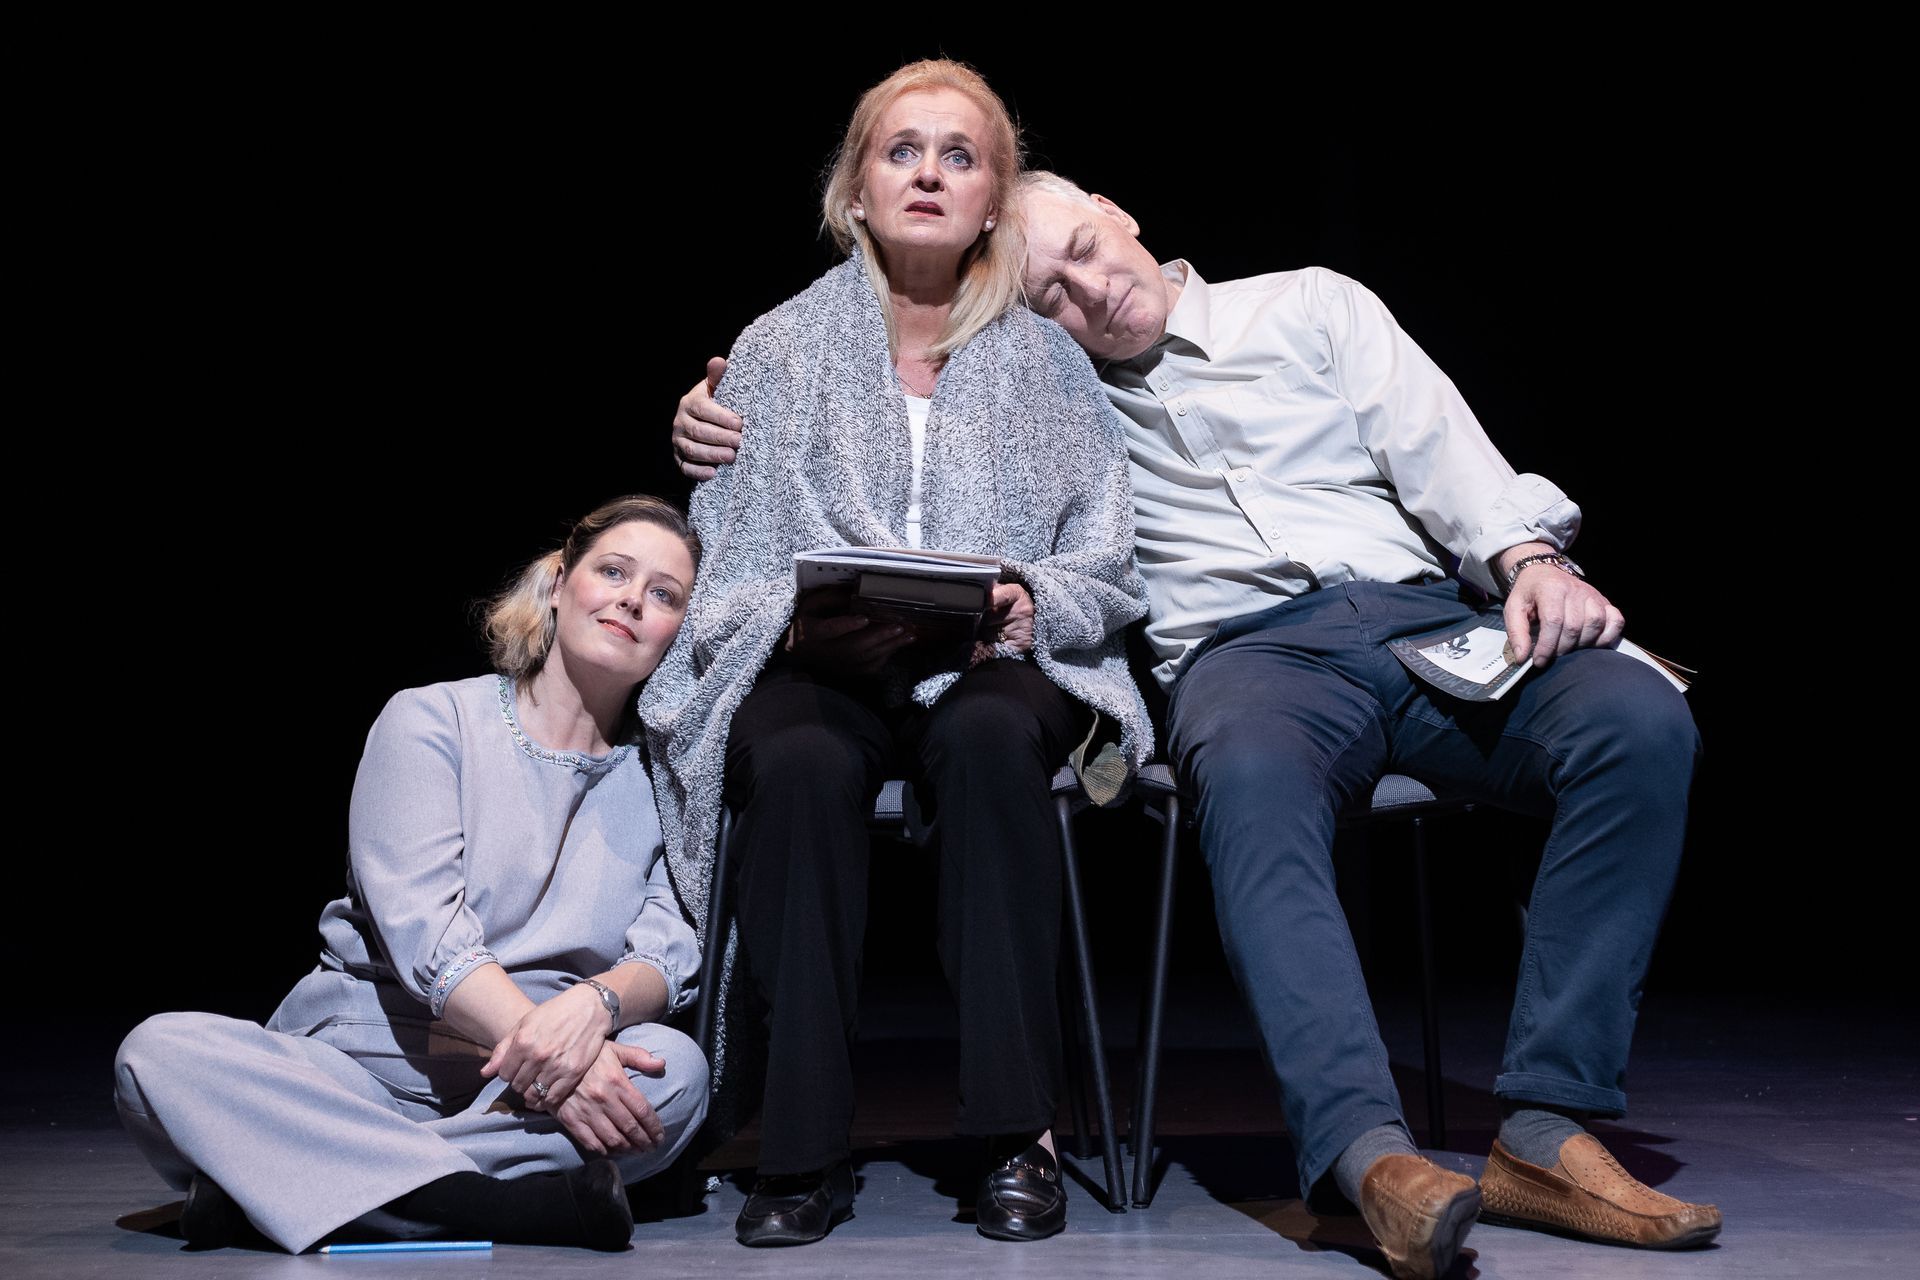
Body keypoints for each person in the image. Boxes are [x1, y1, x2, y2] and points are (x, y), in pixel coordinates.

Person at [672, 172, 1717, 1279]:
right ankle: (1367, 1149)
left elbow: (1448, 457)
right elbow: (901, 407)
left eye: (1083, 246)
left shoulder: (1311, 305)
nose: (1089, 289)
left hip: (1424, 617)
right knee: (1252, 782)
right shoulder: (1053, 389)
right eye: (1053, 294)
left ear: (1120, 211)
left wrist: (1531, 558)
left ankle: (1548, 1122)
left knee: (1635, 720)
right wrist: (718, 407)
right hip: (1248, 658)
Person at [639, 62, 1149, 1249]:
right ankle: (800, 1143)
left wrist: (1029, 600)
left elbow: (1110, 562)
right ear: (855, 191)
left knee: (983, 739)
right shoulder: (772, 350)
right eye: (901, 151)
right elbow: (731, 555)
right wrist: (798, 614)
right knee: (804, 761)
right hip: (820, 659)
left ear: (993, 203)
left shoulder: (1052, 366)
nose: (928, 173)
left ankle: (1017, 1131)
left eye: (959, 157)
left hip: (993, 664)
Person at [113, 496, 710, 1254]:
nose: (633, 598)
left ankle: (295, 1189)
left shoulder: (666, 779)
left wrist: (594, 1010)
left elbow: (668, 950)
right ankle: (494, 1201)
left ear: (679, 632)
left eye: (664, 595)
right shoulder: (432, 721)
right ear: (559, 583)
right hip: (358, 1066)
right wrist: (555, 1048)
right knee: (158, 1055)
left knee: (678, 1073)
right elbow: (427, 933)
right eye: (614, 571)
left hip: (525, 1094)